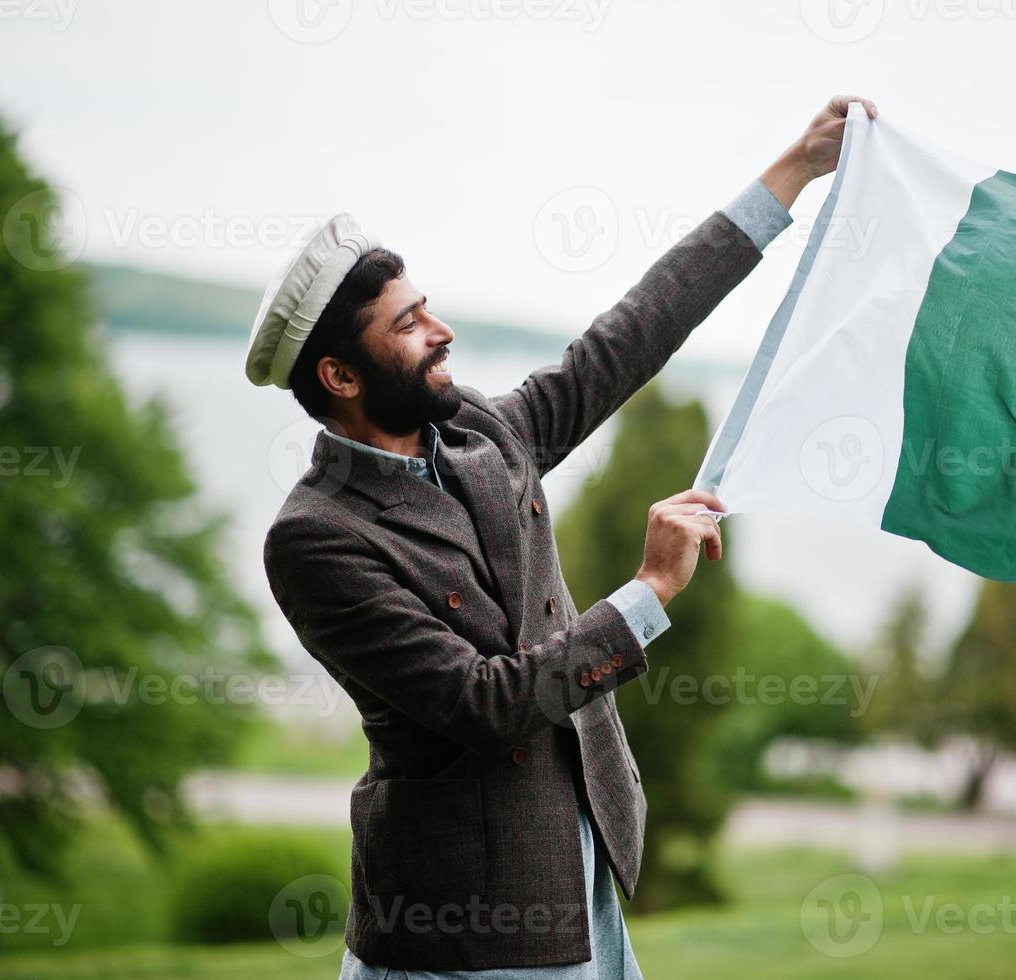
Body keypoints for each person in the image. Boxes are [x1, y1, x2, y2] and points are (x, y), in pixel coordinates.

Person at [245, 95, 877, 978]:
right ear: (339, 375)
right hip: (461, 923)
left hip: (581, 869)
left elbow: (627, 338)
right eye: (408, 325)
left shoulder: (476, 433)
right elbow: (483, 704)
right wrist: (647, 593)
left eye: (427, 307)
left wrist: (792, 172)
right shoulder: (317, 537)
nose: (442, 332)